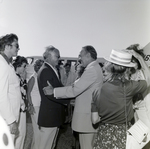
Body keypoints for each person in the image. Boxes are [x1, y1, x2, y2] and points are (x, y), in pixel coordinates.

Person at [43, 45, 103, 149]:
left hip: (87, 119)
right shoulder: (94, 68)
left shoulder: (92, 70)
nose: (79, 58)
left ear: (88, 55)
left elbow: (75, 89)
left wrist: (54, 91)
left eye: (81, 55)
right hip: (88, 118)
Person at [91, 49, 149, 149]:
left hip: (103, 135)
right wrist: (139, 58)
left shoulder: (96, 90)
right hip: (121, 136)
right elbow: (148, 80)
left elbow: (94, 120)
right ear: (126, 69)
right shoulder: (128, 87)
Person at [37, 45, 69, 149]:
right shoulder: (46, 70)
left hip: (52, 116)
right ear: (48, 57)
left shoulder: (50, 69)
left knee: (50, 144)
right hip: (49, 116)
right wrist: (68, 101)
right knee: (46, 145)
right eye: (57, 56)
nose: (59, 59)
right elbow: (49, 93)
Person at [126, 44, 150, 149]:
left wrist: (139, 56)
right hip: (135, 113)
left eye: (132, 61)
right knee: (138, 141)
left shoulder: (142, 73)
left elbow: (148, 80)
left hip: (146, 112)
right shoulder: (129, 76)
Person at [0, 34, 22, 143]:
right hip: (6, 118)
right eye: (16, 46)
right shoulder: (1, 64)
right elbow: (1, 94)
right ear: (7, 46)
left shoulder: (8, 64)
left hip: (10, 114)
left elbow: (13, 88)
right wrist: (10, 120)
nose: (18, 48)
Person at [27, 59, 44, 149]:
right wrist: (30, 105)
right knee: (37, 129)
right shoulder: (33, 78)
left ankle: (34, 146)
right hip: (34, 105)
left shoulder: (40, 77)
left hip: (40, 105)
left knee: (39, 129)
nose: (39, 67)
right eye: (37, 66)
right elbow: (28, 93)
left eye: (40, 66)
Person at [12, 56, 28, 149]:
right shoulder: (15, 77)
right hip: (18, 109)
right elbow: (23, 92)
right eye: (24, 66)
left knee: (21, 134)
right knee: (19, 134)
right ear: (18, 65)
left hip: (21, 109)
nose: (25, 68)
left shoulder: (19, 77)